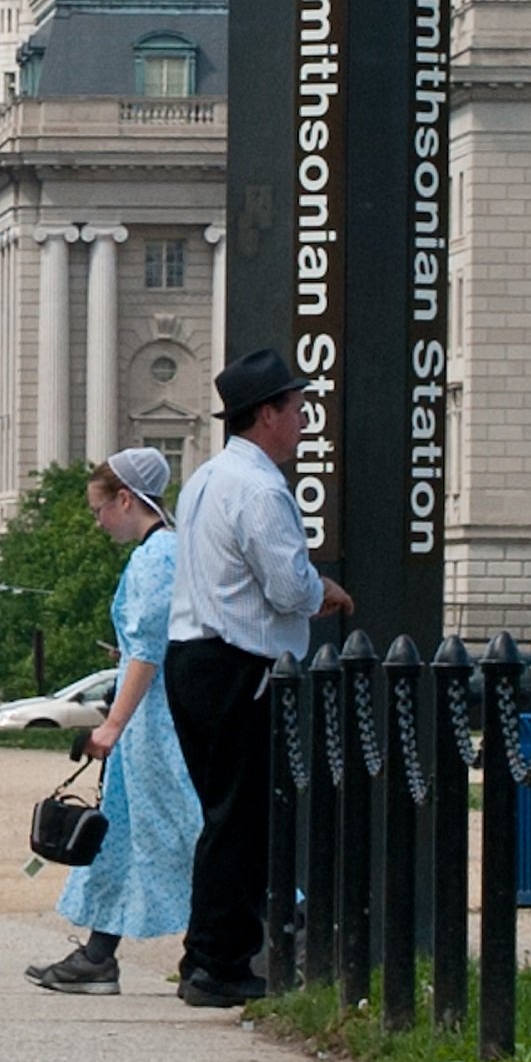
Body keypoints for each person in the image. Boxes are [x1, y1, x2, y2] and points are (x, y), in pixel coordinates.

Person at [165, 348, 353, 1008]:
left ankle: (207, 957)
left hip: (193, 656)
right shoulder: (261, 489)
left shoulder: (207, 480)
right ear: (266, 414)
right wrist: (320, 588)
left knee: (225, 815)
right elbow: (285, 584)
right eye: (296, 408)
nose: (303, 419)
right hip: (237, 661)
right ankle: (218, 963)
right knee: (240, 820)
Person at [26, 448, 201, 996]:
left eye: (100, 509)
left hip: (156, 723)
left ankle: (276, 929)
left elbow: (147, 650)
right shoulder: (171, 551)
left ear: (126, 500)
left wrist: (112, 725)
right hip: (154, 720)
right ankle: (100, 954)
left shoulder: (156, 557)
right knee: (126, 833)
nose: (97, 521)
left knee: (188, 825)